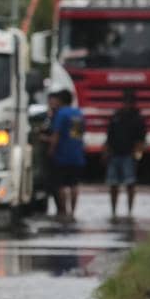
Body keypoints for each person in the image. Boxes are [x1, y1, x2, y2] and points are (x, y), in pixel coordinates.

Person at [105, 88, 146, 220]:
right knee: (113, 184)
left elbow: (141, 140)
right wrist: (106, 151)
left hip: (129, 156)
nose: (126, 104)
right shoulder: (116, 116)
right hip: (114, 154)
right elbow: (109, 135)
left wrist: (137, 156)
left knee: (130, 183)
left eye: (129, 102)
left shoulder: (138, 118)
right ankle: (113, 211)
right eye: (125, 101)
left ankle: (129, 211)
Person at [49, 88, 86, 222]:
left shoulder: (61, 114)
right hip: (76, 154)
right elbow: (78, 135)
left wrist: (51, 149)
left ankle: (63, 211)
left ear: (61, 100)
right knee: (74, 184)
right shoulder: (78, 113)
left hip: (62, 154)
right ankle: (73, 211)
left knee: (61, 185)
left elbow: (56, 134)